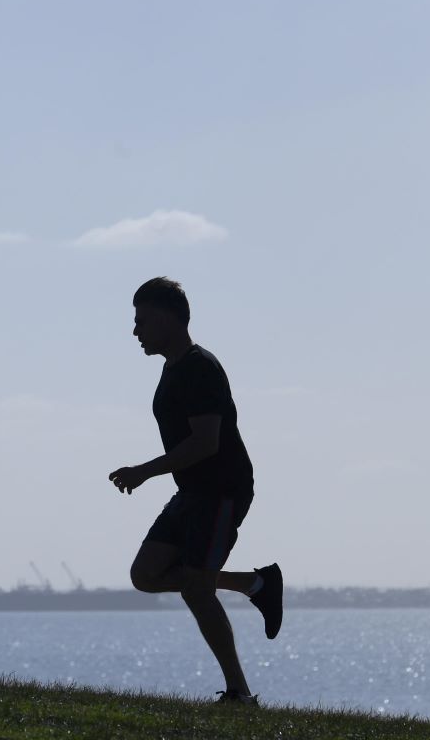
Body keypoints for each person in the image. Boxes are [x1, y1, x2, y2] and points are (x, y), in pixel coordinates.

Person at [108, 277, 282, 705]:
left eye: (142, 321)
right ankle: (254, 584)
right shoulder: (172, 369)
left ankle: (239, 693)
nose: (135, 331)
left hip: (222, 491)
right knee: (145, 575)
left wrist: (144, 471)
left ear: (168, 318)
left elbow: (207, 442)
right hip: (192, 492)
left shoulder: (201, 367)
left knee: (197, 591)